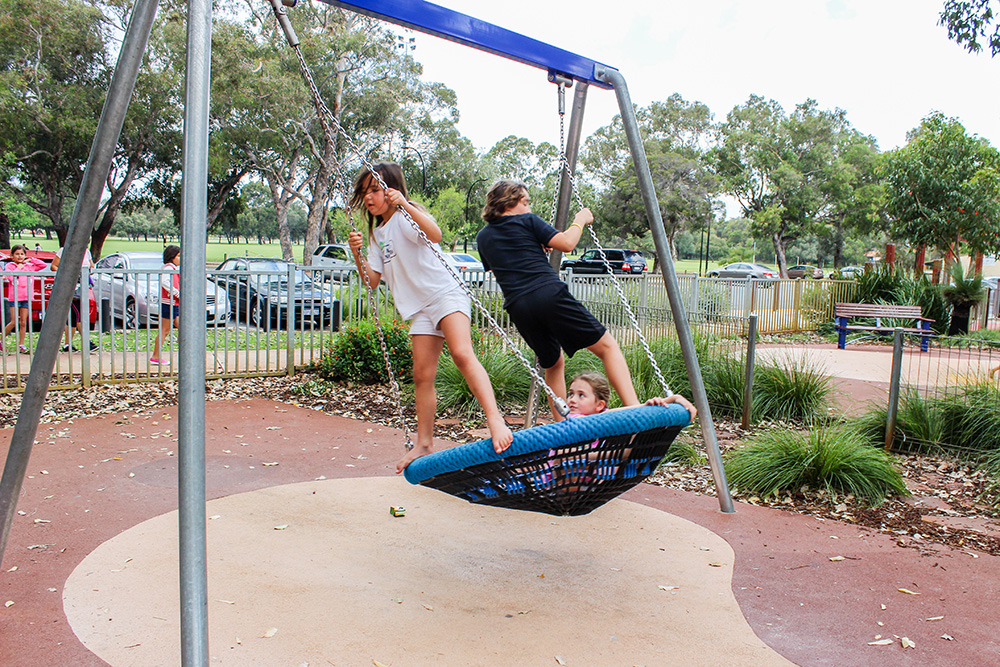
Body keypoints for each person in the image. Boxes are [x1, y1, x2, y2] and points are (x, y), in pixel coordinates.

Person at [347, 162, 513, 473]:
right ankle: (424, 443)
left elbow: (434, 234)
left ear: (391, 189)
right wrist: (357, 252)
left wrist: (405, 205)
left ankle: (495, 418)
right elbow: (371, 281)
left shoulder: (405, 216)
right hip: (419, 307)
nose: (369, 198)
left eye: (375, 190)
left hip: (445, 293)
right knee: (422, 374)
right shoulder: (375, 233)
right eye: (364, 192)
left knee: (462, 354)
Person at [476, 179, 640, 419]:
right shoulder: (528, 220)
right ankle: (635, 409)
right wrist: (580, 219)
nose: (529, 208)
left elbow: (502, 264)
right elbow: (567, 243)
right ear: (510, 202)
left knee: (553, 364)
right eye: (526, 202)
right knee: (607, 347)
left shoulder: (483, 237)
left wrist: (533, 247)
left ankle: (563, 427)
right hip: (547, 293)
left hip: (518, 307)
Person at [51, 244, 99, 352]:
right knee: (78, 315)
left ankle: (67, 344)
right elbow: (54, 266)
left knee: (73, 316)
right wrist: (67, 276)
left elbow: (91, 267)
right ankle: (87, 342)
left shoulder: (86, 252)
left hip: (82, 288)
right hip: (70, 288)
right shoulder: (63, 250)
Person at [3, 245, 47, 354]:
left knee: (23, 322)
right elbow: (10, 277)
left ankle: (21, 344)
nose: (19, 256)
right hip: (15, 297)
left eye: (22, 254)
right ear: (12, 256)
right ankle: (1, 340)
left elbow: (43, 265)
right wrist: (19, 268)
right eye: (17, 254)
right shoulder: (10, 266)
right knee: (14, 321)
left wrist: (31, 259)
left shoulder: (29, 266)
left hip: (26, 297)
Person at [150, 245, 180, 365]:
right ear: (172, 257)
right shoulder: (168, 268)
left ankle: (188, 347)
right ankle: (156, 356)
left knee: (181, 326)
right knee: (164, 330)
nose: (180, 258)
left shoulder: (172, 268)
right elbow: (165, 282)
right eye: (178, 256)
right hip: (169, 303)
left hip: (172, 303)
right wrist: (177, 294)